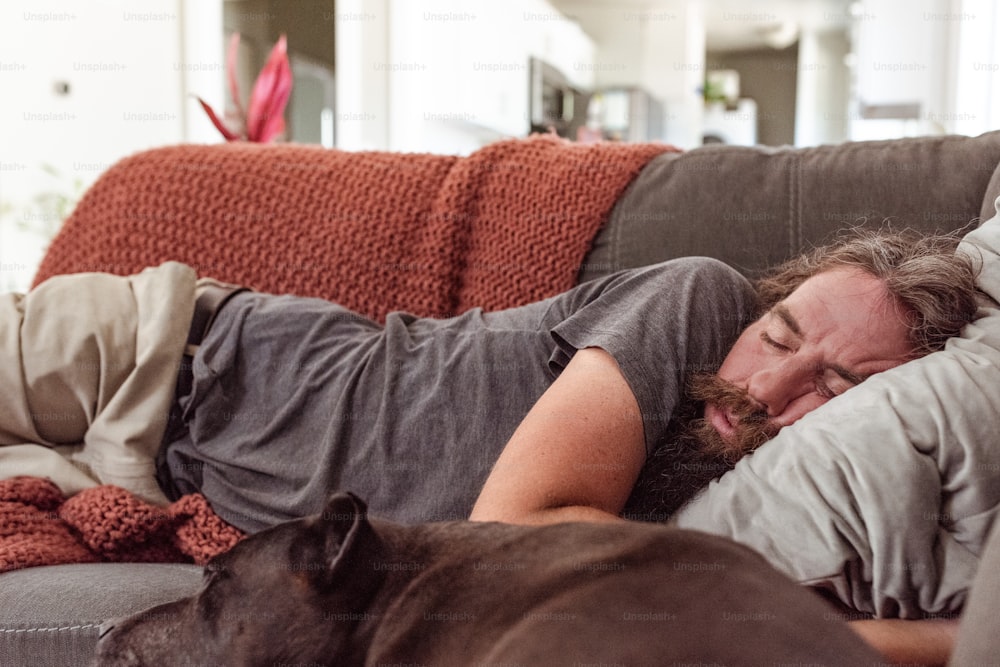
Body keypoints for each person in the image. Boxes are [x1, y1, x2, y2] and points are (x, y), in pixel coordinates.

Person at [0, 227, 979, 663]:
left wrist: (957, 642)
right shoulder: (697, 299)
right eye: (779, 336)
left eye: (838, 386)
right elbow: (511, 532)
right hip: (165, 352)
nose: (770, 387)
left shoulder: (767, 502)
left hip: (145, 471)